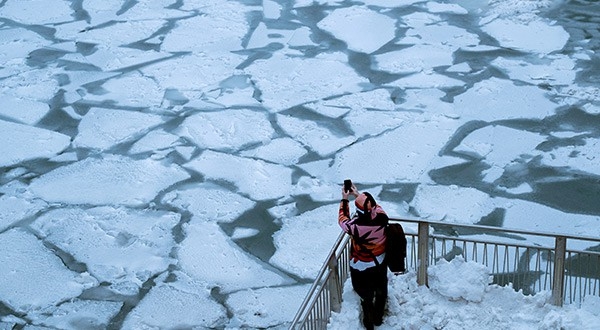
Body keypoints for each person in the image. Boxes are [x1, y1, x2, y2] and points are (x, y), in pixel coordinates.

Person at [339, 183, 389, 330]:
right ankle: (378, 317)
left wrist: (345, 199)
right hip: (379, 261)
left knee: (365, 294)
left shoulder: (355, 227)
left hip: (360, 264)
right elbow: (376, 207)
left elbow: (342, 219)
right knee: (381, 289)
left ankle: (368, 320)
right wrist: (359, 195)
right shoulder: (382, 218)